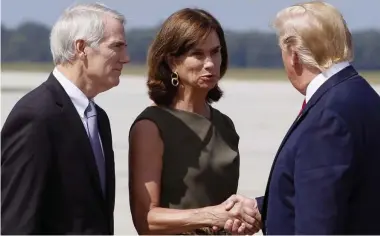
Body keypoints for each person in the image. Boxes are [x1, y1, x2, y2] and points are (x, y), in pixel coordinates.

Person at [224, 1, 380, 235]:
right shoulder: (361, 95)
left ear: (294, 55)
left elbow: (319, 220)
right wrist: (261, 208)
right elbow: (339, 192)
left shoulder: (328, 117)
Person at [128, 8, 261, 235]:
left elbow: (223, 211)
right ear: (172, 61)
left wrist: (242, 221)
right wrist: (213, 215)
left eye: (215, 52)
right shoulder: (151, 126)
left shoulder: (225, 125)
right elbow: (146, 220)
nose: (210, 63)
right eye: (198, 54)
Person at [1, 3, 130, 234]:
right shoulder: (36, 117)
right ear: (81, 48)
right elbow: (16, 222)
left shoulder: (99, 119)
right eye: (117, 47)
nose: (126, 58)